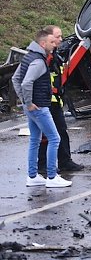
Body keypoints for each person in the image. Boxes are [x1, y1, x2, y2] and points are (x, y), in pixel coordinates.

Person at [11, 27, 72, 188]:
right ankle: (52, 177)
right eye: (52, 42)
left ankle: (32, 176)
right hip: (39, 107)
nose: (55, 44)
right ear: (43, 44)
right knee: (54, 138)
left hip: (33, 107)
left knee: (35, 140)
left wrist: (24, 102)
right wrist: (28, 102)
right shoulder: (38, 61)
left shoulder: (28, 56)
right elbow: (26, 82)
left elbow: (15, 78)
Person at [38, 26, 84, 174]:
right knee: (46, 135)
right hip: (46, 102)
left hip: (55, 101)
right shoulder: (43, 57)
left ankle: (65, 162)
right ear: (48, 38)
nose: (60, 39)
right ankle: (42, 166)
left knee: (61, 131)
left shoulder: (55, 55)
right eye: (58, 37)